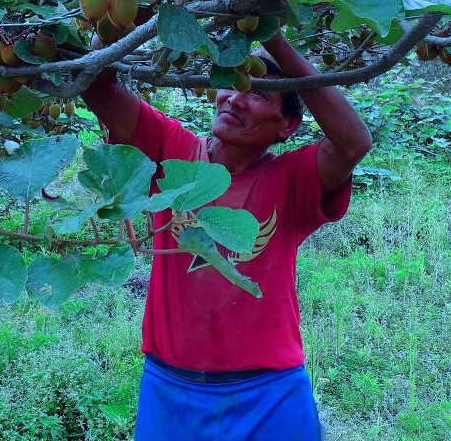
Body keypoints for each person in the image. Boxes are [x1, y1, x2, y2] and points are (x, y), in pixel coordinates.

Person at [81, 29, 372, 441]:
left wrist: (274, 40)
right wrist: (139, 10)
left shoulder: (293, 178)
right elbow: (96, 82)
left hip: (269, 394)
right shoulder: (172, 150)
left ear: (287, 125)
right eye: (231, 85)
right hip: (171, 389)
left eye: (259, 94)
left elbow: (353, 143)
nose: (234, 98)